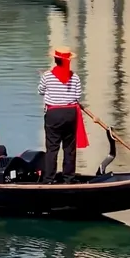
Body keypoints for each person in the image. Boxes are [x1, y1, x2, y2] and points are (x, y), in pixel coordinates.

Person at [38, 47, 83, 183]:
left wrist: (43, 78)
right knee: (69, 148)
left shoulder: (47, 76)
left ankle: (48, 179)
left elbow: (40, 91)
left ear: (55, 60)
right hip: (70, 114)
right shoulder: (74, 77)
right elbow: (77, 96)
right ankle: (68, 178)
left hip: (53, 114)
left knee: (52, 148)